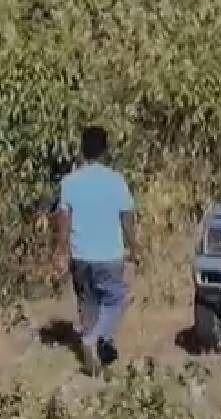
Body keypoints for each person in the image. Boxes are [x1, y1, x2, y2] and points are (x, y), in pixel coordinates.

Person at [53, 126, 137, 375]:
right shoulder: (116, 180)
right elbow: (127, 217)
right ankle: (93, 342)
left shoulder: (70, 182)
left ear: (82, 150)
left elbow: (64, 219)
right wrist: (134, 246)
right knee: (117, 299)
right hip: (109, 254)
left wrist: (61, 249)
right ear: (105, 150)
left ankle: (96, 358)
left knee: (87, 304)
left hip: (80, 255)